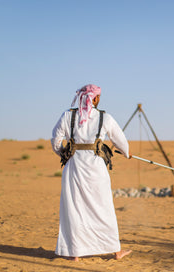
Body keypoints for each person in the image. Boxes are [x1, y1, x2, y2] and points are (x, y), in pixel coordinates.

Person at [51, 84, 132, 261]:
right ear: (95, 99)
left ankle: (75, 253)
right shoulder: (105, 118)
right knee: (103, 208)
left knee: (75, 208)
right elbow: (121, 141)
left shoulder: (67, 115)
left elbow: (56, 141)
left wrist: (65, 153)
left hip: (73, 168)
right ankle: (116, 251)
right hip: (96, 169)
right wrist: (126, 153)